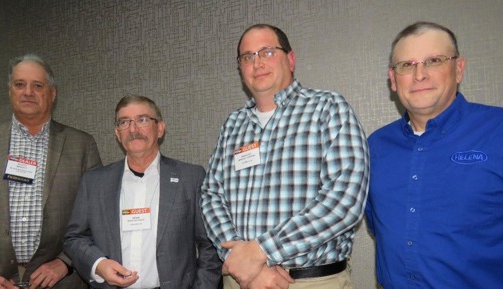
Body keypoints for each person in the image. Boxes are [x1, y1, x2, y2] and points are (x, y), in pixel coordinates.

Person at [201, 24, 370, 289]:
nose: (257, 63)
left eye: (267, 52)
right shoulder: (232, 125)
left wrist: (261, 251)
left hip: (312, 282)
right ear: (240, 69)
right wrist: (243, 263)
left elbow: (345, 200)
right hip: (240, 281)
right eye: (247, 57)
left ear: (290, 60)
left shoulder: (327, 108)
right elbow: (211, 196)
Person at [365, 21, 503, 289]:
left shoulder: (498, 131)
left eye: (434, 61)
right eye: (407, 65)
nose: (419, 75)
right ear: (393, 79)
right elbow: (378, 225)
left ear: (458, 69)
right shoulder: (375, 147)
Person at [0, 54, 102, 289]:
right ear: (10, 91)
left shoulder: (82, 145)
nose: (28, 92)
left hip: (61, 283)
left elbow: (97, 216)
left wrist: (65, 262)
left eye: (38, 85)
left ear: (52, 94)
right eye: (20, 84)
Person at [63, 96, 222, 289]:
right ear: (117, 133)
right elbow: (74, 237)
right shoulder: (94, 182)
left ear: (160, 128)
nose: (133, 129)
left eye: (143, 119)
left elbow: (209, 245)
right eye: (124, 122)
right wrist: (98, 264)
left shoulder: (190, 177)